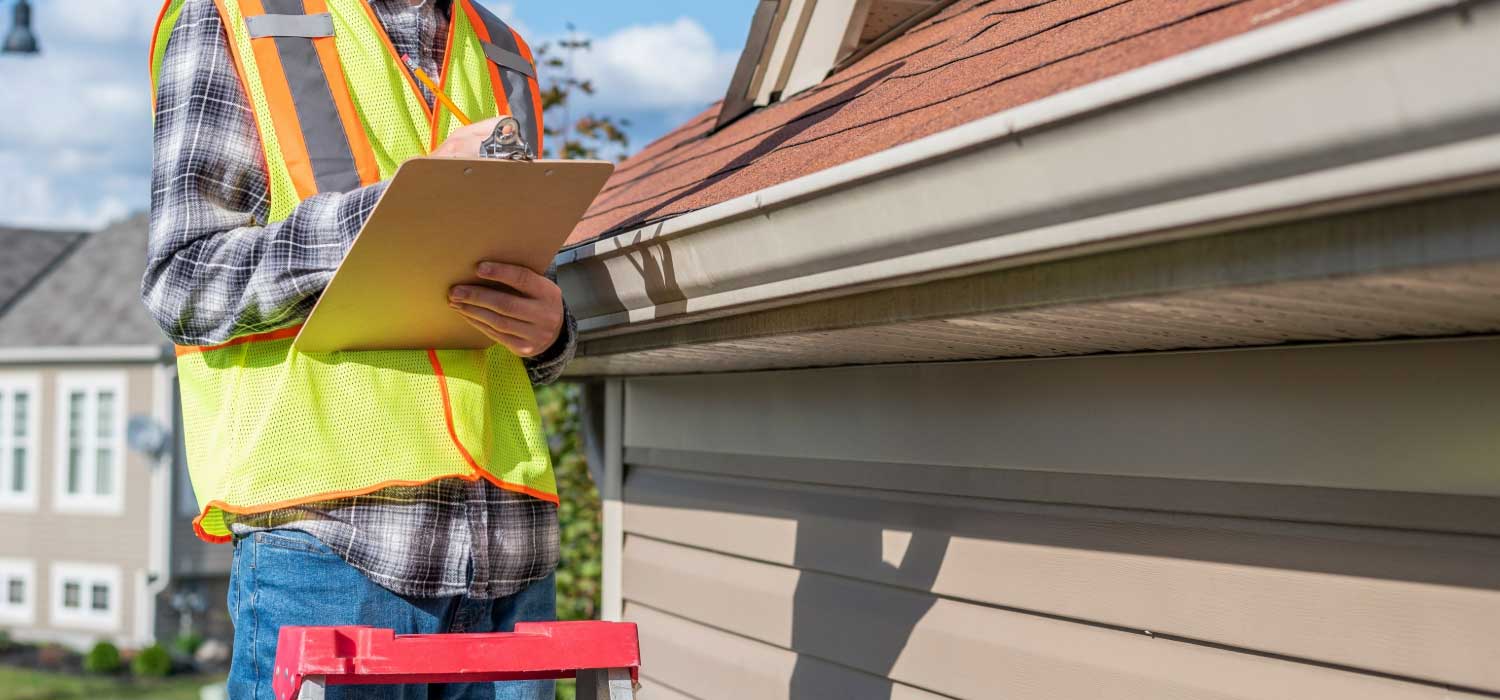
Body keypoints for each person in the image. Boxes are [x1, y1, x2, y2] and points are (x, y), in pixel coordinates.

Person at [142, 2, 572, 698]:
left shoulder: (499, 48)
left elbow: (518, 278)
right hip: (332, 550)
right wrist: (401, 206)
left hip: (511, 555)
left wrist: (552, 332)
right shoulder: (238, 14)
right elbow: (184, 282)